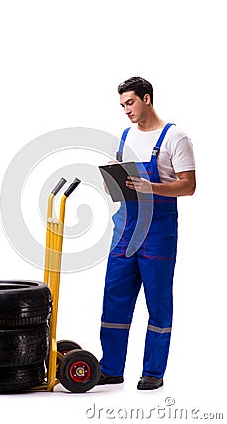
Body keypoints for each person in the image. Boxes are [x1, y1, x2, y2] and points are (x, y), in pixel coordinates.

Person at [98, 77, 196, 390]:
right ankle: (111, 368)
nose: (126, 110)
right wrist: (110, 181)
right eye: (123, 105)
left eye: (131, 102)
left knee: (158, 300)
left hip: (158, 232)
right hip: (125, 229)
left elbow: (189, 185)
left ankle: (153, 371)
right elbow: (122, 185)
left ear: (147, 99)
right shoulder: (125, 136)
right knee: (114, 299)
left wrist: (151, 187)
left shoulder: (175, 137)